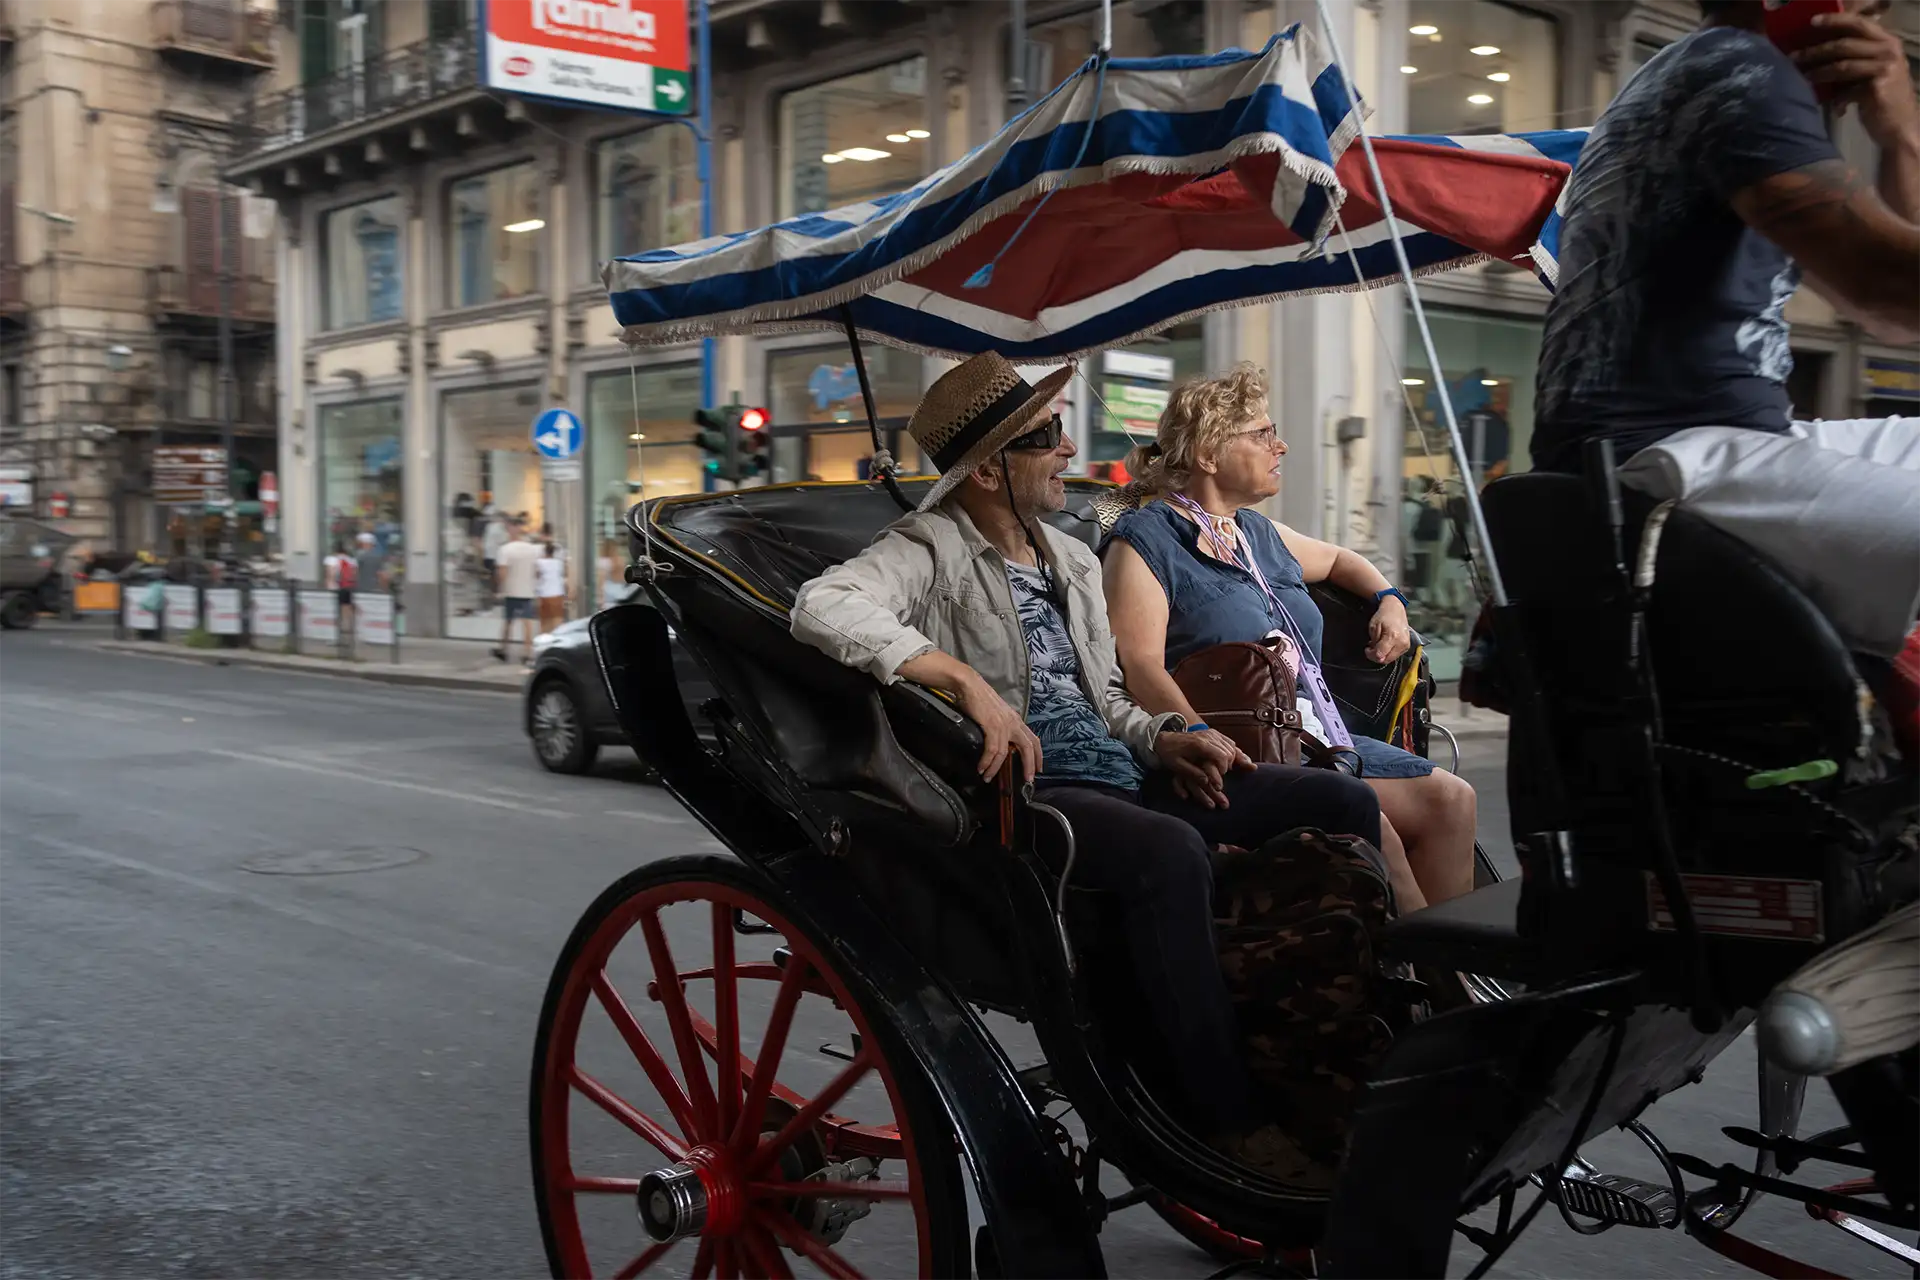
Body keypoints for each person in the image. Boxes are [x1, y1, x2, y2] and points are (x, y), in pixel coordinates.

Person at [791, 352, 1386, 1181]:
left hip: (1123, 771)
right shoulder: (927, 548)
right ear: (992, 469)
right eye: (1049, 438)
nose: (1070, 451)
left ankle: (1351, 1039)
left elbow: (1109, 696)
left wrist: (1168, 735)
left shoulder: (1069, 559)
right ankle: (1226, 1117)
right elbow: (822, 604)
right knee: (1170, 854)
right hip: (1029, 796)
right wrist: (958, 677)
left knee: (1339, 802)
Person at [1533, 0, 1920, 660]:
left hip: (1709, 435)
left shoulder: (1698, 64)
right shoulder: (1742, 74)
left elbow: (1889, 313)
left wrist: (1902, 137)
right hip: (1665, 448)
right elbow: (1884, 290)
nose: (1874, 12)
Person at [1101, 366, 1477, 912]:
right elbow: (1139, 665)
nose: (1281, 444)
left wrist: (1390, 601)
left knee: (1453, 800)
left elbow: (1345, 560)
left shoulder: (1255, 531)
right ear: (1208, 453)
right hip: (1240, 750)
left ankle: (1454, 963)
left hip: (1316, 735)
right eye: (1261, 433)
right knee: (1381, 829)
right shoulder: (1147, 540)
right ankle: (1434, 978)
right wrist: (1201, 735)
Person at [493, 521, 541, 665]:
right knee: (527, 622)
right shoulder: (533, 549)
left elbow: (502, 571)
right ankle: (527, 652)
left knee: (508, 621)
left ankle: (503, 649)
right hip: (527, 590)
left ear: (510, 531)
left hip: (511, 590)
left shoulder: (505, 549)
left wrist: (500, 588)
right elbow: (537, 571)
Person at [322, 539, 356, 635]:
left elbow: (330, 573)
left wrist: (328, 584)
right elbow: (354, 574)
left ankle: (335, 631)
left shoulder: (331, 559)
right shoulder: (351, 560)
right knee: (346, 607)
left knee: (334, 609)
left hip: (334, 587)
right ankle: (347, 627)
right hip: (348, 586)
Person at [535, 541, 567, 633]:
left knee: (544, 620)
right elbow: (564, 575)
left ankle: (544, 639)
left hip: (543, 594)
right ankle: (557, 638)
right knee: (557, 619)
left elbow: (537, 575)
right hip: (557, 593)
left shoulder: (539, 562)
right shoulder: (559, 563)